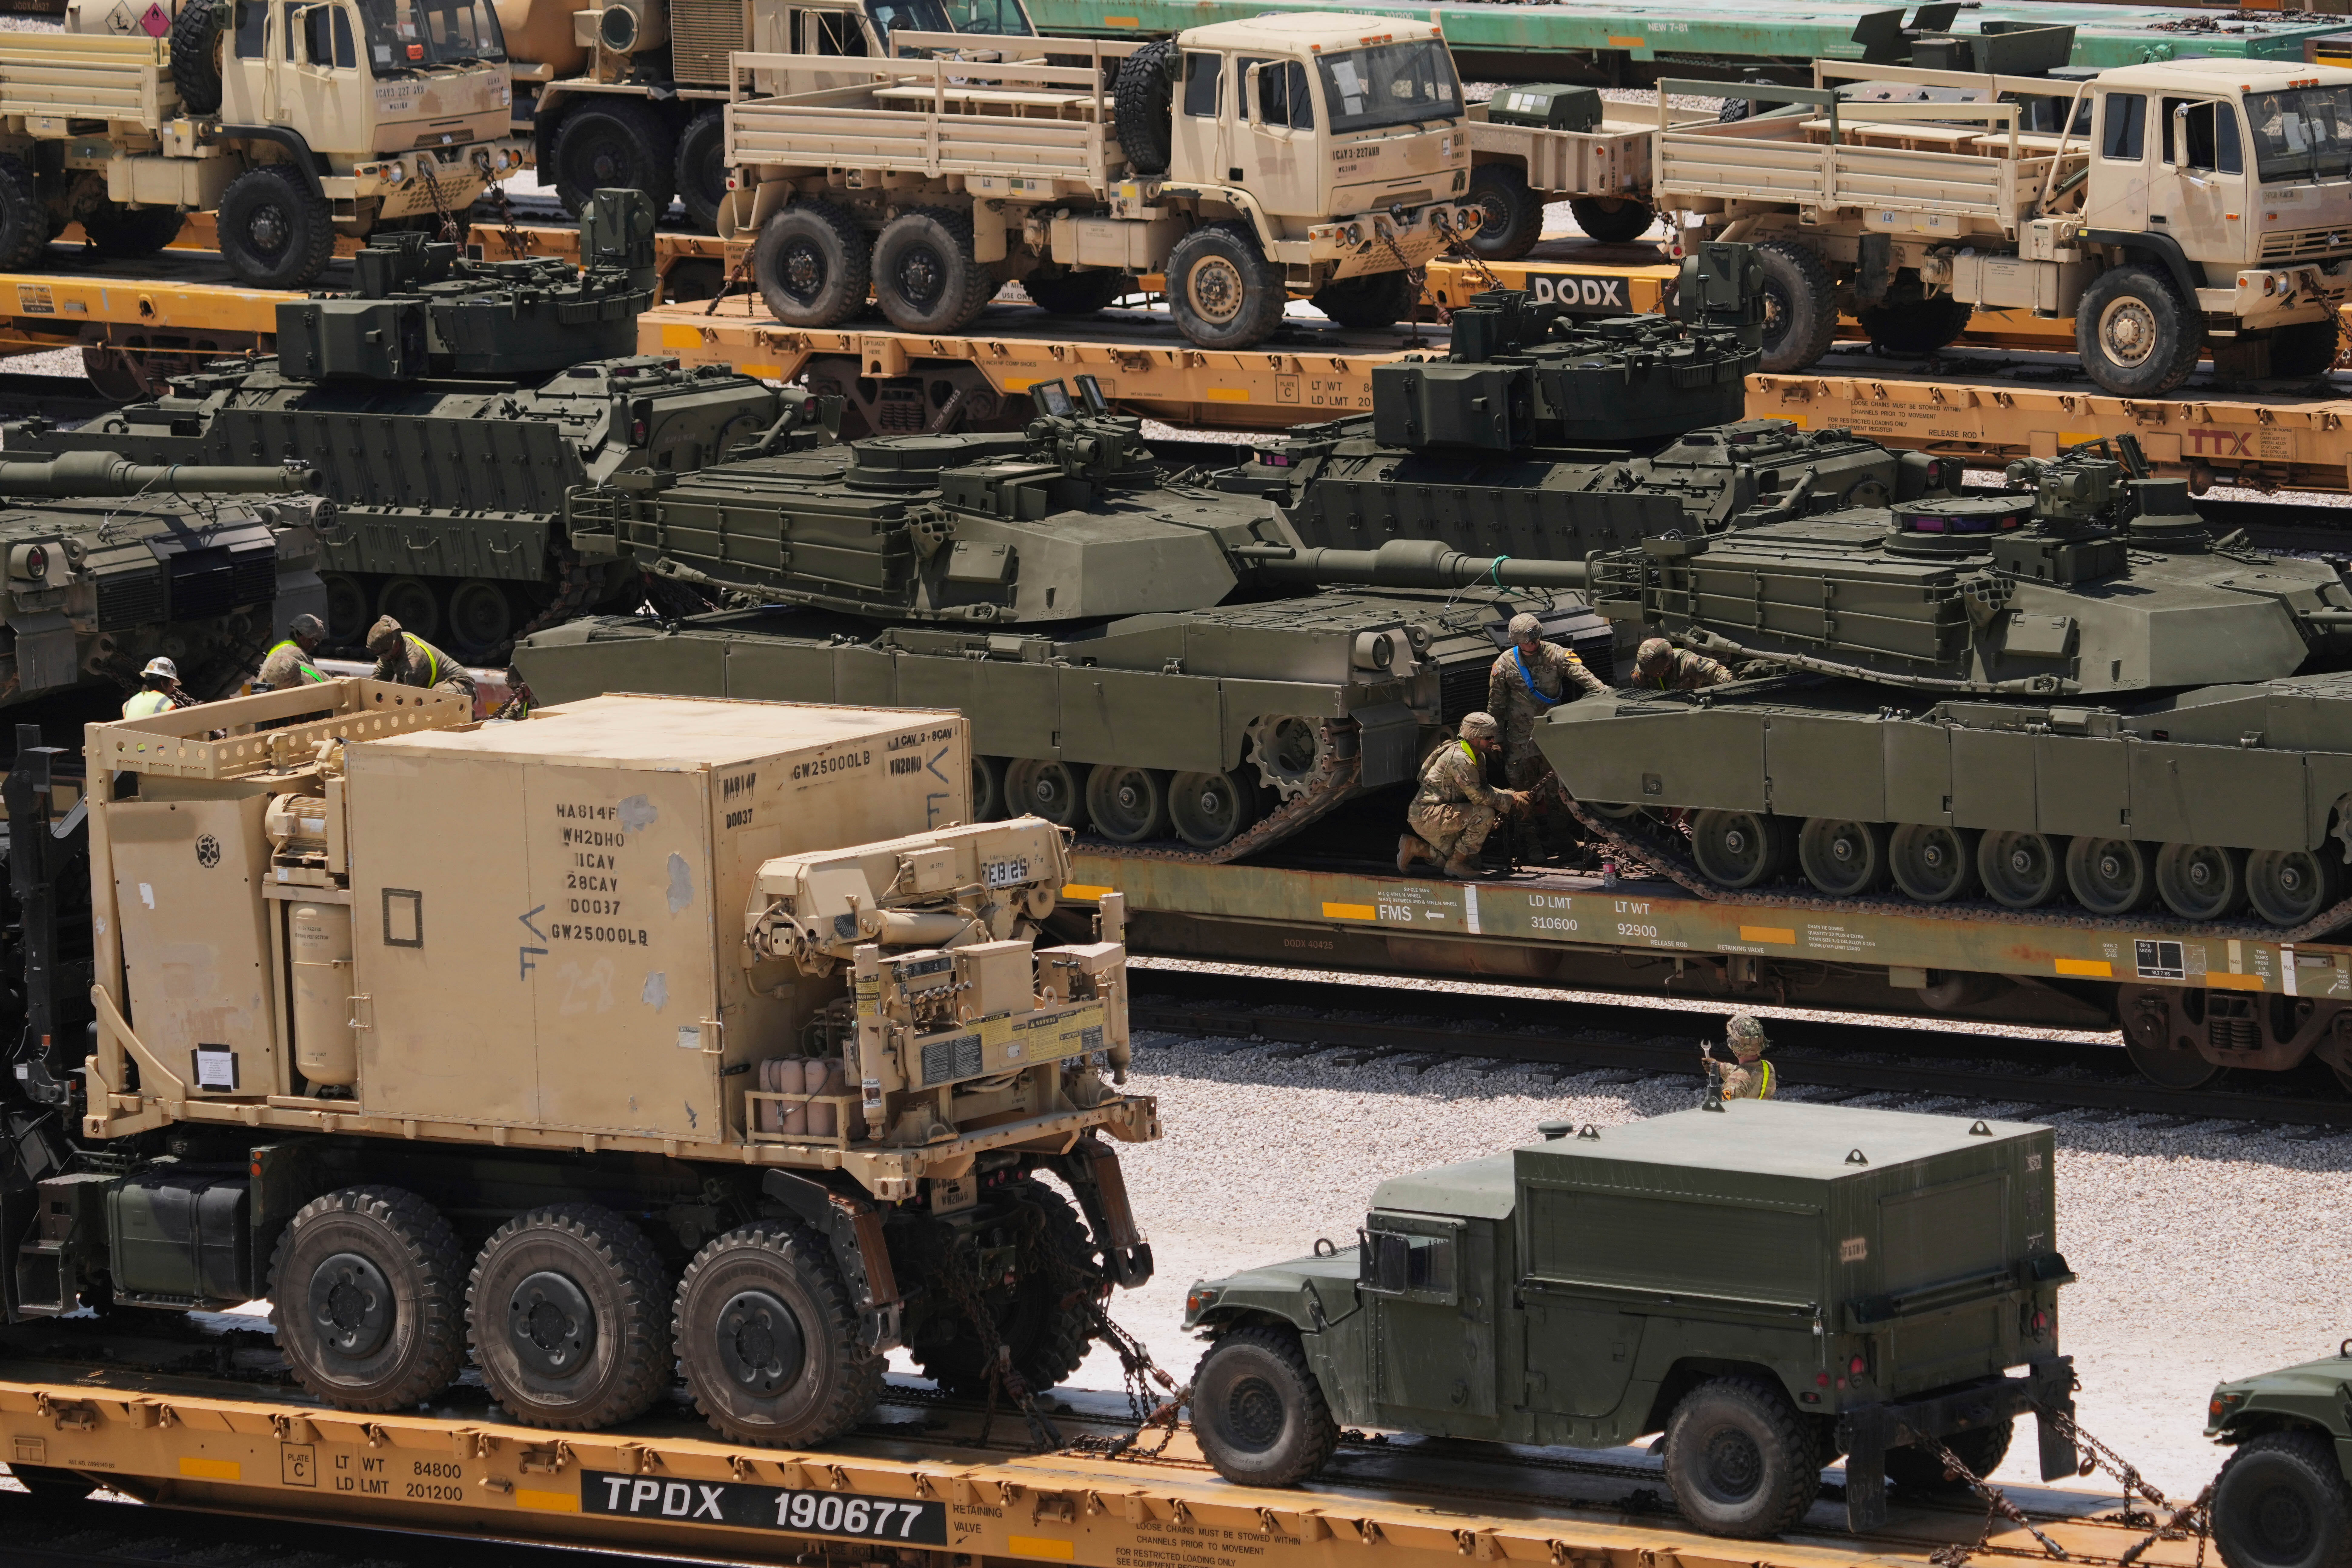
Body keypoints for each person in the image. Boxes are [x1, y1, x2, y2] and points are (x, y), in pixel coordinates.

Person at [1486, 611, 1607, 856]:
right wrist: (1495, 740)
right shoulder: (1504, 664)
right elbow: (1496, 706)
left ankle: (1559, 836)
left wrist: (1604, 693)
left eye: (1535, 639)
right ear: (1516, 641)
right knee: (1522, 789)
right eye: (1527, 641)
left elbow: (1585, 678)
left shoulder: (1556, 654)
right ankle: (1530, 840)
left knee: (1557, 788)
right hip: (1520, 740)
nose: (1532, 644)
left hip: (1551, 736)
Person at [1397, 712, 1526, 880]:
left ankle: (1414, 847)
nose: (1493, 741)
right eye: (1488, 738)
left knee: (1472, 863)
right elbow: (1479, 797)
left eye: (1494, 737)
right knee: (1484, 814)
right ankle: (1456, 865)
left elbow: (1483, 787)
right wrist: (1512, 800)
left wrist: (1513, 794)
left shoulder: (1477, 756)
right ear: (1474, 738)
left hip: (1439, 813)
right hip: (1427, 815)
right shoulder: (1460, 759)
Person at [365, 616, 476, 698]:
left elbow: (408, 700)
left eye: (384, 655)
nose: (382, 658)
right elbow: (378, 679)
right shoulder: (393, 649)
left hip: (460, 685)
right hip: (438, 685)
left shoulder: (414, 663)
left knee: (436, 700)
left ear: (396, 645)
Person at [254, 613, 330, 691]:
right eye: (315, 641)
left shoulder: (281, 647)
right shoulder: (296, 653)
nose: (315, 646)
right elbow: (314, 678)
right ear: (304, 638)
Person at [1631, 636, 1733, 692]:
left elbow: (1716, 672)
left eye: (1658, 673)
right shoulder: (1644, 669)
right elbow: (1639, 693)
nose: (1654, 676)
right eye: (1650, 674)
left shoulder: (1690, 663)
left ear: (1669, 664)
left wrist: (1732, 680)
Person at [1715, 1013, 1775, 1100]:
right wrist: (1718, 1067)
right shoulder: (1768, 1067)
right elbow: (1746, 1073)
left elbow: (1726, 1108)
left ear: (1735, 1046)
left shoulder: (1734, 1083)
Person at [121, 656, 188, 718]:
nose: (173, 689)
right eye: (172, 683)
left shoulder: (127, 705)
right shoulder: (167, 704)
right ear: (163, 683)